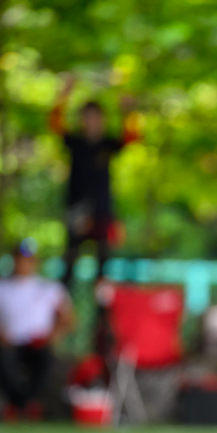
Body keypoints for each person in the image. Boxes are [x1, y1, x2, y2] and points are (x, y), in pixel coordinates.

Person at [48, 75, 140, 288]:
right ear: (81, 120)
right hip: (77, 209)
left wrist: (128, 111)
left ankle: (102, 316)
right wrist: (64, 94)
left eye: (96, 117)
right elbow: (54, 123)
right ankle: (63, 308)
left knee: (103, 265)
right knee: (70, 261)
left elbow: (132, 137)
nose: (92, 122)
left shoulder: (108, 144)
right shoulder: (75, 143)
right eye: (87, 117)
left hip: (102, 211)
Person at [0, 240, 73, 420]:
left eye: (28, 259)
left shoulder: (48, 287)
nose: (23, 263)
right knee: (1, 358)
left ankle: (20, 405)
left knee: (47, 359)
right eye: (19, 258)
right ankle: (23, 405)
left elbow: (68, 317)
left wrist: (54, 334)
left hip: (38, 343)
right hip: (7, 342)